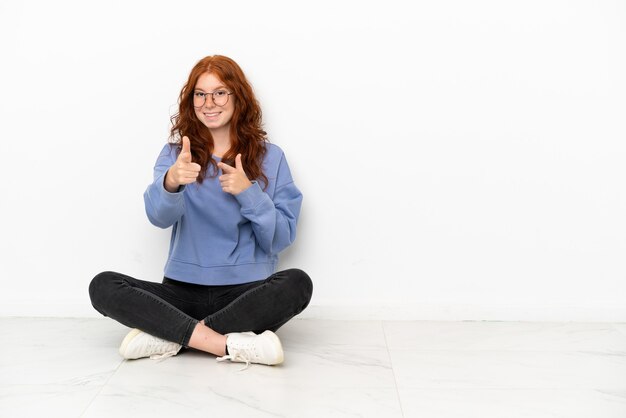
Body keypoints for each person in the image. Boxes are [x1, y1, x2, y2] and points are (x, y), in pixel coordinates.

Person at [89, 55, 313, 368]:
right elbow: (158, 217)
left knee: (298, 283)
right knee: (103, 285)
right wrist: (171, 182)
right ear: (191, 99)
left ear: (239, 98)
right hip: (181, 292)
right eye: (200, 93)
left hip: (244, 295)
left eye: (220, 92)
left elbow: (280, 238)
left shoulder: (271, 158)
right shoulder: (174, 155)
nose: (209, 102)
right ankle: (226, 343)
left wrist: (249, 193)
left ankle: (173, 335)